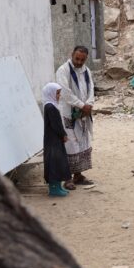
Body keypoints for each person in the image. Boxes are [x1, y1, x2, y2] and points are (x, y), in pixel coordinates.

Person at [56, 46, 95, 190]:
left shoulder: (86, 70)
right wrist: (80, 105)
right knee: (70, 145)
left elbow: (91, 88)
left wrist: (89, 104)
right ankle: (67, 178)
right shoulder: (63, 70)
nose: (79, 62)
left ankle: (78, 175)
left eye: (82, 60)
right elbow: (65, 93)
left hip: (83, 114)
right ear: (71, 55)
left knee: (82, 143)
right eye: (77, 58)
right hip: (67, 114)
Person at [42, 83, 71, 197]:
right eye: (57, 93)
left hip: (54, 139)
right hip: (53, 139)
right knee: (54, 163)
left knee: (58, 161)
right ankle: (54, 189)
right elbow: (56, 125)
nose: (59, 95)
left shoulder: (51, 105)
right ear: (50, 93)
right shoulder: (50, 107)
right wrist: (63, 134)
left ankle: (58, 186)